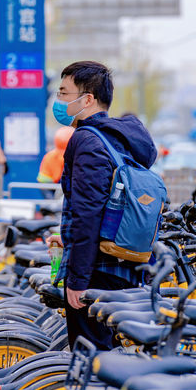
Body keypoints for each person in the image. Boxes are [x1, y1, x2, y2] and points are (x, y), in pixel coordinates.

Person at [49, 61, 157, 350]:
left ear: (87, 99)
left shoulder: (86, 140)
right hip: (122, 261)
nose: (58, 101)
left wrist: (78, 279)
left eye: (63, 93)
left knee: (92, 360)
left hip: (98, 270)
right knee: (110, 355)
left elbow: (89, 213)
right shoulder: (119, 139)